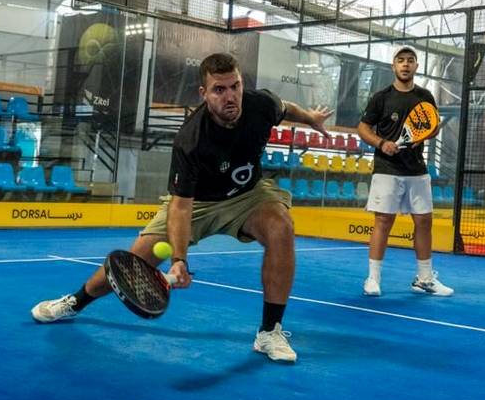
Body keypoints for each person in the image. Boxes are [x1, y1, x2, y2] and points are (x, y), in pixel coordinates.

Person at [31, 52, 333, 363]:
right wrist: (179, 260)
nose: (230, 96)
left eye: (235, 86)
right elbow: (181, 206)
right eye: (219, 90)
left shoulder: (261, 104)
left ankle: (269, 331)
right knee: (133, 264)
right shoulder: (191, 139)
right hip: (196, 202)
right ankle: (75, 301)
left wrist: (310, 118)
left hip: (247, 195)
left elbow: (286, 107)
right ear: (204, 93)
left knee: (281, 226)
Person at [356, 45, 454, 298]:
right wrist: (381, 143)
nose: (406, 64)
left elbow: (433, 126)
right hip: (386, 169)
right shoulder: (381, 97)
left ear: (416, 66)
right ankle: (373, 279)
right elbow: (363, 128)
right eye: (401, 60)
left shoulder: (425, 96)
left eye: (410, 60)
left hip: (417, 170)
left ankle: (424, 279)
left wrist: (422, 136)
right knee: (383, 222)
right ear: (394, 66)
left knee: (424, 221)